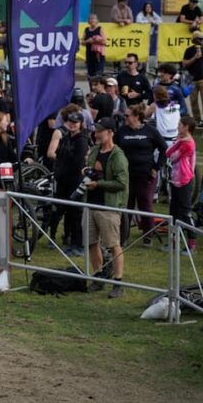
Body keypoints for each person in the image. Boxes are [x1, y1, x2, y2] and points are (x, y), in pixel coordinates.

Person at [83, 117, 129, 298]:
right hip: (90, 203)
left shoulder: (118, 156)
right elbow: (90, 169)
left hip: (108, 206)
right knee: (91, 242)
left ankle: (118, 282)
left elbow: (121, 183)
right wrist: (86, 171)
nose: (96, 134)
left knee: (113, 245)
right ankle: (98, 276)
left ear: (110, 133)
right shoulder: (94, 151)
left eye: (100, 131)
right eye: (95, 130)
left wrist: (98, 184)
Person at [115, 104, 166, 245]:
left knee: (145, 204)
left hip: (146, 174)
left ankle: (148, 236)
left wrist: (157, 167)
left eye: (127, 115)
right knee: (126, 205)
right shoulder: (122, 131)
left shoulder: (150, 131)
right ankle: (123, 236)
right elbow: (114, 148)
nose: (124, 118)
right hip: (126, 175)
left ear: (137, 117)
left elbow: (164, 149)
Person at [47, 106, 89, 255]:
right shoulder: (65, 138)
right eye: (70, 121)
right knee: (63, 211)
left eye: (76, 122)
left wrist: (64, 166)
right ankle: (70, 242)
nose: (72, 124)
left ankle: (78, 245)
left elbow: (77, 163)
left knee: (76, 214)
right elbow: (58, 155)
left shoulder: (82, 141)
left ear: (81, 124)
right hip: (63, 181)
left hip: (75, 181)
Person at [167, 116, 197, 248]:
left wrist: (177, 142)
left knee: (185, 211)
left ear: (186, 127)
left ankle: (191, 242)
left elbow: (170, 155)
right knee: (174, 210)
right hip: (175, 179)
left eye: (180, 125)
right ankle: (174, 241)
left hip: (184, 180)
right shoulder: (181, 141)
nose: (178, 127)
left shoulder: (187, 143)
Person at [182, 30, 203, 122]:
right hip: (191, 79)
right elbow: (185, 64)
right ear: (195, 39)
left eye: (202, 39)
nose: (202, 41)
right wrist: (195, 57)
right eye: (200, 39)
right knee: (193, 100)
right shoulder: (189, 50)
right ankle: (197, 119)